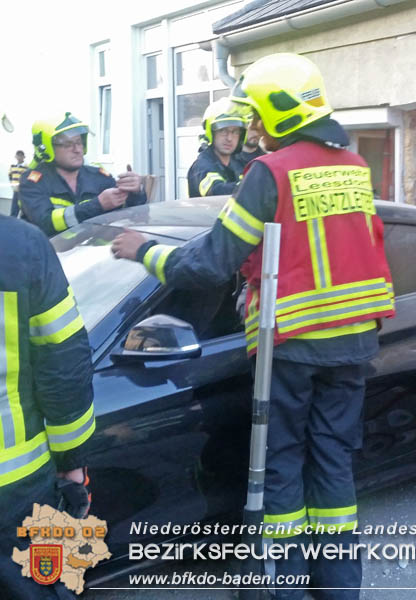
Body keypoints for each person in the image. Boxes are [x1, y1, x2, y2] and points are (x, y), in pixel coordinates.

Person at [111, 52, 395, 599]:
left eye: (259, 117)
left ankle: (281, 588)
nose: (254, 130)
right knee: (334, 464)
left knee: (282, 463)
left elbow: (212, 260)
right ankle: (338, 587)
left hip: (294, 344)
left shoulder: (271, 171)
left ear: (283, 113)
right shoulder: (353, 166)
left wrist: (145, 251)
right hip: (355, 339)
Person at [0, 114, 96, 600]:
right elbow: (64, 364)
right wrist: (72, 462)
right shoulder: (19, 246)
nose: (76, 146)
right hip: (14, 484)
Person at [18, 113, 146, 237]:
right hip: (52, 255)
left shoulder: (99, 176)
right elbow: (45, 222)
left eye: (79, 142)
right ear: (46, 148)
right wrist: (98, 205)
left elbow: (132, 217)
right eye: (68, 144)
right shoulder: (31, 183)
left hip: (95, 255)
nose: (77, 150)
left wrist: (136, 193)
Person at [187, 98, 248, 198]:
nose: (229, 138)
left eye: (235, 132)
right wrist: (250, 186)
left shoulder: (239, 163)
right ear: (211, 133)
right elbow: (216, 191)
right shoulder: (201, 165)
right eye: (223, 131)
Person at [8, 150, 27, 217]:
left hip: (23, 191)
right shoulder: (12, 166)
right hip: (15, 190)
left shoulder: (27, 167)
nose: (19, 157)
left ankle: (24, 222)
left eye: (21, 155)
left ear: (24, 157)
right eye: (18, 155)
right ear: (15, 156)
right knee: (14, 208)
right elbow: (10, 175)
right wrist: (12, 184)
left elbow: (28, 178)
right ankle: (13, 222)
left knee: (24, 207)